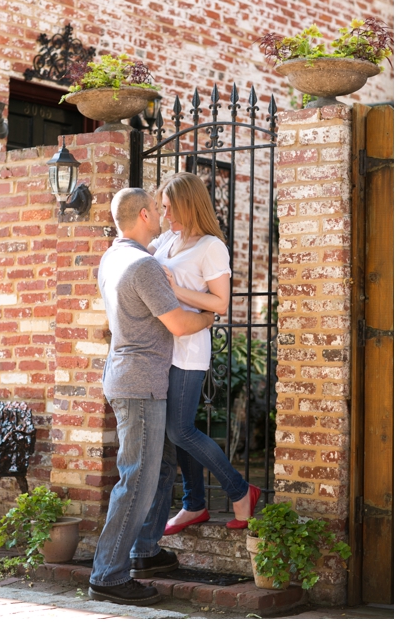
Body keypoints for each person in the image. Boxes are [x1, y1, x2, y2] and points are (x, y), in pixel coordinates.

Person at [89, 188, 215, 606]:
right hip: (140, 384)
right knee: (138, 479)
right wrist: (211, 313)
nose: (162, 216)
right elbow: (178, 324)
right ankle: (108, 574)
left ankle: (145, 551)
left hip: (131, 376)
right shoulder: (143, 266)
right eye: (157, 210)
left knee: (159, 468)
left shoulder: (112, 256)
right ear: (144, 214)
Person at [145, 173, 260, 537]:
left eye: (170, 209)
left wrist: (176, 289)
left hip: (189, 351)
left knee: (181, 429)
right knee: (173, 431)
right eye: (162, 209)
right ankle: (194, 504)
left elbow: (220, 303)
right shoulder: (167, 239)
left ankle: (242, 491)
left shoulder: (211, 247)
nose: (166, 217)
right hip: (162, 349)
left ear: (189, 206)